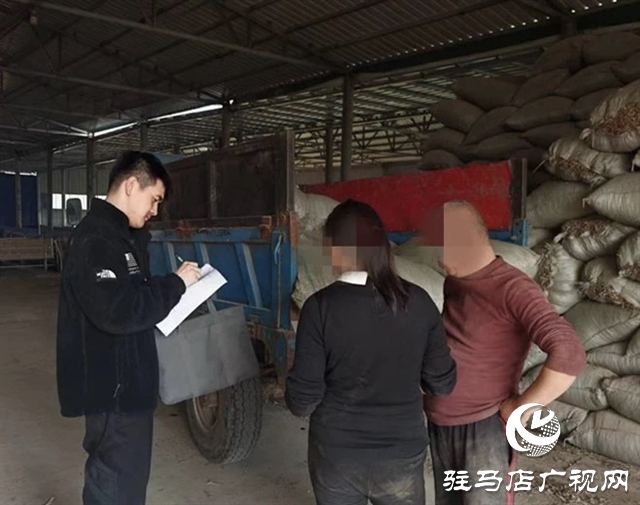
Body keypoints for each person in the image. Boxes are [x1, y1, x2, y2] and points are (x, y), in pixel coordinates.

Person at [286, 199, 457, 505]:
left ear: (336, 249)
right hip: (401, 455)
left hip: (337, 457)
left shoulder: (319, 308)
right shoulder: (419, 303)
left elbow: (302, 402)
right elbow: (442, 384)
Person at [56, 151, 201, 505]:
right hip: (113, 392)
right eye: (155, 199)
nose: (155, 210)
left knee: (126, 484)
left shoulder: (122, 238)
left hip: (127, 388)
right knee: (116, 487)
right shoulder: (96, 240)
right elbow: (117, 311)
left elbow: (133, 296)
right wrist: (175, 285)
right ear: (132, 185)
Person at [423, 201, 587, 505]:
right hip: (442, 424)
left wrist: (522, 407)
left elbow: (569, 353)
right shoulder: (456, 282)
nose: (436, 257)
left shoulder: (514, 289)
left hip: (483, 429)